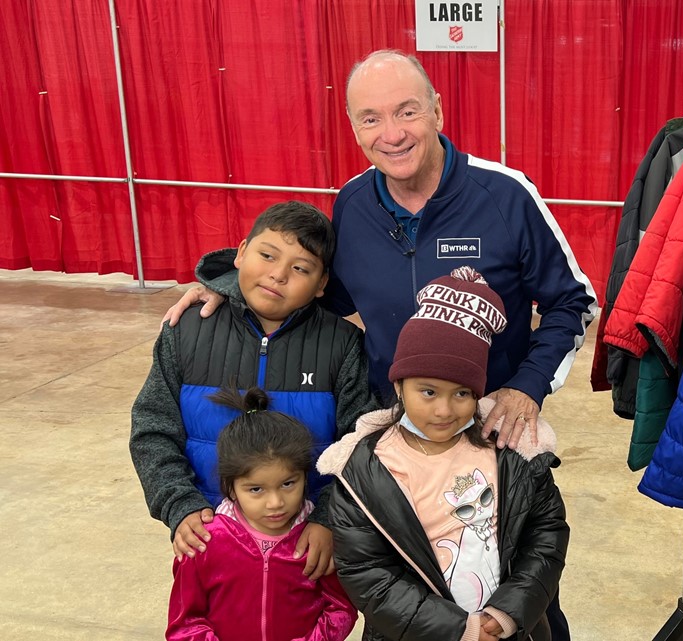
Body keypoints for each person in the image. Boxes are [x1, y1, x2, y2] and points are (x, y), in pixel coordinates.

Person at [164, 49, 597, 452]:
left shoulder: (506, 195)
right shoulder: (352, 203)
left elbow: (573, 302)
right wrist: (230, 287)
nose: (392, 135)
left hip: (486, 426)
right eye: (370, 119)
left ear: (438, 112)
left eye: (407, 112)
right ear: (353, 127)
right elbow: (321, 292)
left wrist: (528, 386)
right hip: (389, 424)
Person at [316, 267, 569, 641]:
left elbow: (546, 535)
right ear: (399, 386)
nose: (444, 410)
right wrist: (459, 630)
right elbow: (368, 573)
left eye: (462, 393)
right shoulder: (364, 470)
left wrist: (509, 613)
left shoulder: (513, 452)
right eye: (428, 392)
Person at [131, 201, 375, 580]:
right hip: (210, 541)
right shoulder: (186, 332)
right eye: (267, 255)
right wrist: (180, 505)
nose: (278, 275)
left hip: (307, 549)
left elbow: (361, 445)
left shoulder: (343, 345)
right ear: (241, 252)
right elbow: (152, 429)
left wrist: (328, 518)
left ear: (323, 283)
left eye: (301, 268)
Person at [166, 386, 358, 641]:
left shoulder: (319, 541)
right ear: (231, 487)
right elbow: (184, 623)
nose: (276, 502)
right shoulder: (204, 543)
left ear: (305, 477)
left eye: (288, 484)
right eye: (256, 489)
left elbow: (341, 609)